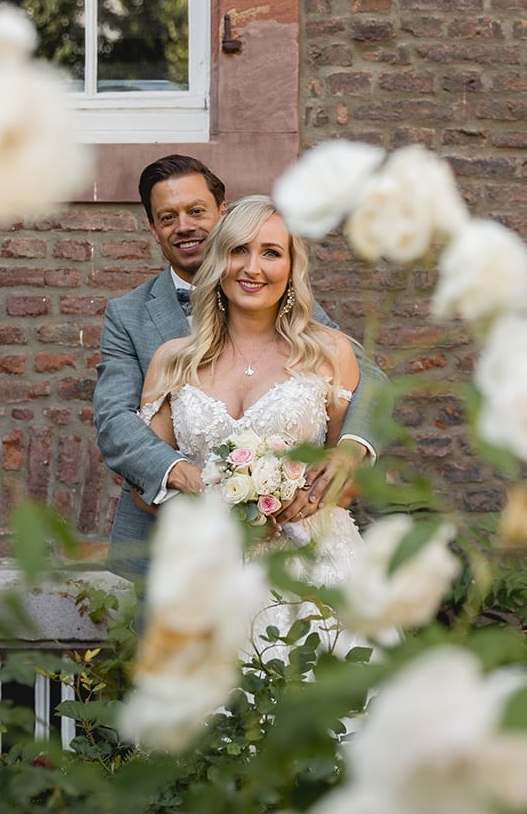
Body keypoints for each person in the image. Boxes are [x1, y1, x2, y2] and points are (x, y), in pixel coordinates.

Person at [94, 156, 384, 584]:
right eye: (168, 217)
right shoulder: (130, 318)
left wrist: (348, 452)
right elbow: (115, 419)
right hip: (180, 546)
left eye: (196, 211)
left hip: (304, 558)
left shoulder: (283, 300)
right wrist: (190, 478)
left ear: (222, 212)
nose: (185, 226)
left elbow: (366, 381)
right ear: (153, 228)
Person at [138, 195, 367, 657]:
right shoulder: (172, 361)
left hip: (315, 568)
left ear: (291, 266)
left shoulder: (329, 353)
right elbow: (147, 491)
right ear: (218, 261)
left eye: (270, 252)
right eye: (238, 250)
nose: (252, 267)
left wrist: (301, 497)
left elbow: (350, 477)